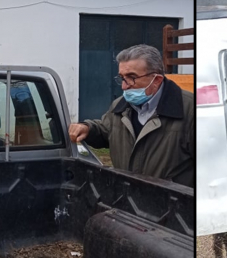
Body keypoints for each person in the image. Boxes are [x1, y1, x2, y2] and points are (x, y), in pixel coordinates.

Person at [68, 44, 195, 188]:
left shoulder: (189, 110)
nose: (124, 86)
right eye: (122, 78)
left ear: (157, 80)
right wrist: (88, 128)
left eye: (132, 78)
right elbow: (107, 130)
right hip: (127, 200)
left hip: (171, 205)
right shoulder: (120, 106)